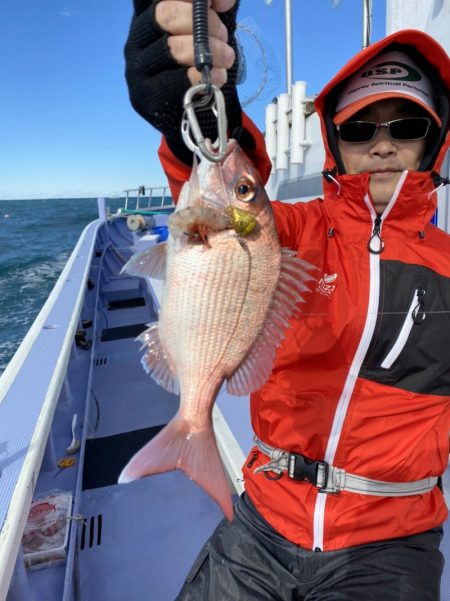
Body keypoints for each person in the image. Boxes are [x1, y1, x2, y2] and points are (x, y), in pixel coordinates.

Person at [124, 1, 450, 599]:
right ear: (334, 140)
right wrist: (192, 111)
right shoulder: (286, 232)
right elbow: (226, 213)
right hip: (265, 515)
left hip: (392, 541)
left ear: (436, 142)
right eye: (359, 128)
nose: (381, 145)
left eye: (406, 126)